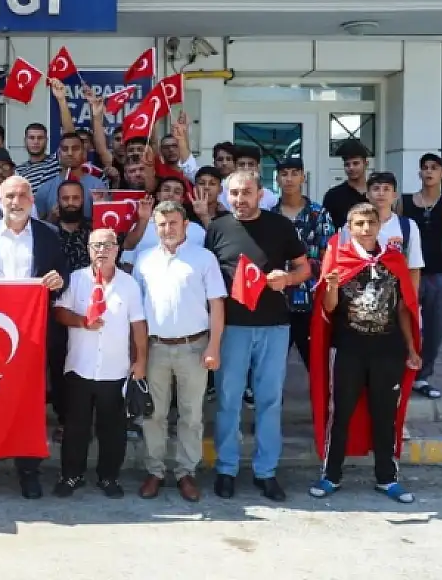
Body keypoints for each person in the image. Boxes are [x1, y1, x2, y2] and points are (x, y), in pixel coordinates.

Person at [204, 171, 310, 502]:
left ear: (261, 194)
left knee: (269, 400)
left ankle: (266, 472)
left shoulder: (281, 225)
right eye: (234, 193)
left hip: (274, 326)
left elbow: (305, 268)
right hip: (232, 327)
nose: (240, 199)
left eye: (246, 192)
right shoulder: (217, 228)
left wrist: (288, 279)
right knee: (228, 401)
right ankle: (226, 469)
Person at [309, 203, 421, 504]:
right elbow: (328, 308)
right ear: (349, 227)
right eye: (359, 223)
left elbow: (403, 308)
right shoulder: (339, 258)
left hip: (388, 349)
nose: (366, 228)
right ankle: (331, 475)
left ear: (379, 225)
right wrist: (331, 286)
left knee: (386, 416)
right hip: (349, 349)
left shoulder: (394, 260)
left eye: (371, 222)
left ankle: (387, 478)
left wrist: (411, 347)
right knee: (341, 414)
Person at [0, 175, 69, 499]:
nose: (16, 201)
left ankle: (29, 471)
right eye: (9, 195)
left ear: (32, 200)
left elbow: (63, 274)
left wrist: (58, 281)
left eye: (22, 195)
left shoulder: (49, 235)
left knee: (30, 405)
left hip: (33, 335)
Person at [132, 201, 226, 502]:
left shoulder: (204, 258)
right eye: (161, 224)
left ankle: (186, 472)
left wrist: (213, 346)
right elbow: (136, 312)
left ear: (185, 225)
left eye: (173, 222)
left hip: (194, 346)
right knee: (153, 415)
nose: (167, 229)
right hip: (155, 347)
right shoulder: (144, 260)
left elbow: (216, 305)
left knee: (191, 415)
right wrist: (137, 354)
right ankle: (155, 471)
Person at [52, 229, 147, 498]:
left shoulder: (129, 284)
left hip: (115, 370)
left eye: (107, 245)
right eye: (96, 245)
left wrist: (141, 361)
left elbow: (139, 325)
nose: (102, 251)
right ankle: (71, 476)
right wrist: (82, 322)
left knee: (113, 430)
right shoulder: (76, 279)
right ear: (88, 249)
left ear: (117, 249)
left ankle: (108, 477)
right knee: (75, 429)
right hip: (79, 368)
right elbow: (59, 312)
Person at [402, 153, 442, 398]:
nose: (429, 172)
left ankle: (423, 377)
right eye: (425, 167)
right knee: (403, 324)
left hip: (437, 274)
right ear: (419, 172)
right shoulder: (404, 202)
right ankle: (402, 372)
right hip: (409, 273)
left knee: (434, 330)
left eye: (434, 168)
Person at [273, 159, 333, 371]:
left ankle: (321, 396)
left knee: (316, 362)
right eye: (284, 174)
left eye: (294, 173)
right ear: (277, 179)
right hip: (276, 300)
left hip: (310, 298)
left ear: (303, 177)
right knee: (272, 364)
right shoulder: (270, 214)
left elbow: (327, 256)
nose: (289, 179)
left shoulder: (319, 213)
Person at [364, 172, 424, 290]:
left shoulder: (408, 226)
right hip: (361, 294)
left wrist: (412, 299)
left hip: (396, 293)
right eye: (376, 189)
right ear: (367, 194)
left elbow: (414, 267)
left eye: (386, 189)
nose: (381, 193)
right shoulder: (352, 226)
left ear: (394, 195)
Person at [322, 141, 371, 229]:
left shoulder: (376, 193)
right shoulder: (333, 195)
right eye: (347, 164)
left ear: (366, 164)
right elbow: (326, 227)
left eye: (356, 163)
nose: (351, 168)